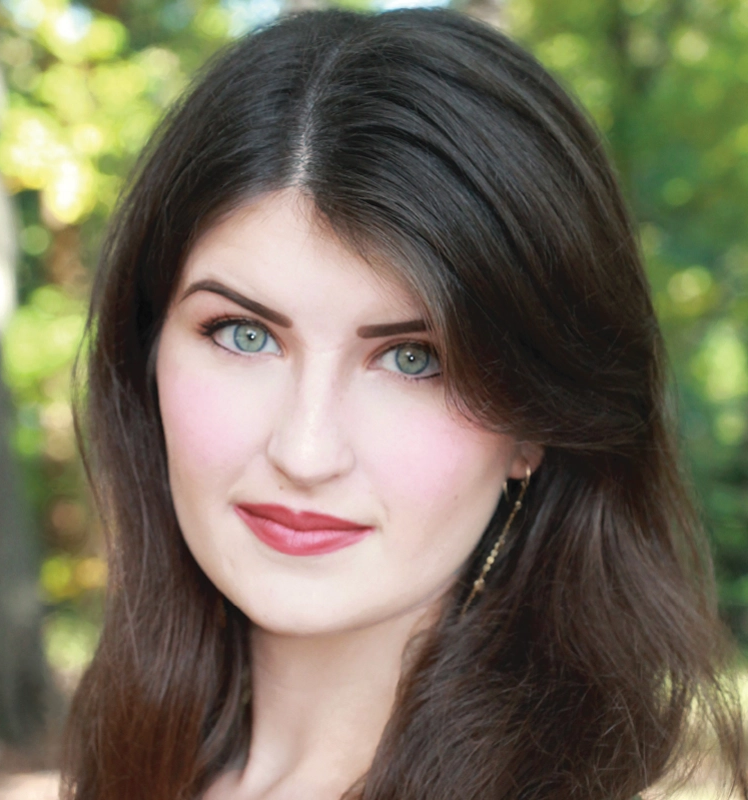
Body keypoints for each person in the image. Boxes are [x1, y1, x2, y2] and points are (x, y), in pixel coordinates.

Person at [62, 8, 747, 800]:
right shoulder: (133, 768)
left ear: (536, 420)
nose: (305, 451)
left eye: (413, 359)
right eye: (245, 336)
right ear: (146, 352)